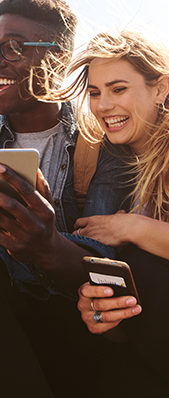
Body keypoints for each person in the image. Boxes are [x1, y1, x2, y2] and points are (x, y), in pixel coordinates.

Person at [0, 0, 148, 398]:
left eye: (12, 48)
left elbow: (115, 272)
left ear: (58, 59)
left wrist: (47, 246)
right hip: (2, 335)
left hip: (86, 333)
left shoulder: (105, 143)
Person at [58, 30, 169, 385]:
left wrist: (132, 228)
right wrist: (104, 316)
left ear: (161, 88)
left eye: (118, 89)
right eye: (94, 92)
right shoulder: (114, 165)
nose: (102, 106)